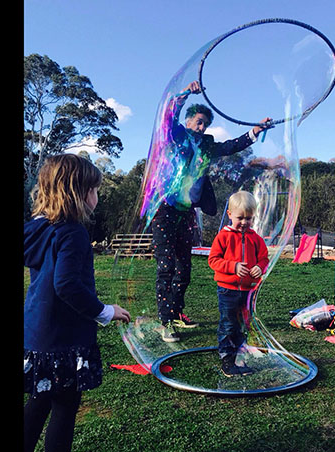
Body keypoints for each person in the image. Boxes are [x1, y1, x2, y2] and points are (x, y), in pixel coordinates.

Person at [24, 154, 131, 452]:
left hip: (37, 335)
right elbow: (67, 285)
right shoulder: (73, 232)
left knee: (40, 398)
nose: (97, 195)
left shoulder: (38, 229)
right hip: (64, 339)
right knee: (65, 406)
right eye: (95, 190)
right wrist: (105, 311)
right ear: (78, 193)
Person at [152, 80, 272, 342]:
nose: (201, 126)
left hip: (186, 212)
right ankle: (165, 322)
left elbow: (231, 146)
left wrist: (254, 131)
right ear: (188, 121)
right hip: (165, 209)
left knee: (184, 268)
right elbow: (168, 118)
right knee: (166, 266)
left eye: (205, 123)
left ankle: (177, 312)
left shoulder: (206, 144)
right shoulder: (176, 135)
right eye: (198, 121)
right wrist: (184, 94)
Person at [208, 191, 269, 377]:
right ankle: (227, 360)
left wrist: (260, 267)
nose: (244, 222)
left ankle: (238, 352)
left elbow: (264, 259)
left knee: (243, 323)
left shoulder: (255, 238)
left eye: (248, 218)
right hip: (228, 290)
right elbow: (213, 260)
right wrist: (232, 266)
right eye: (240, 218)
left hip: (247, 291)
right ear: (229, 214)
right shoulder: (223, 237)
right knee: (228, 323)